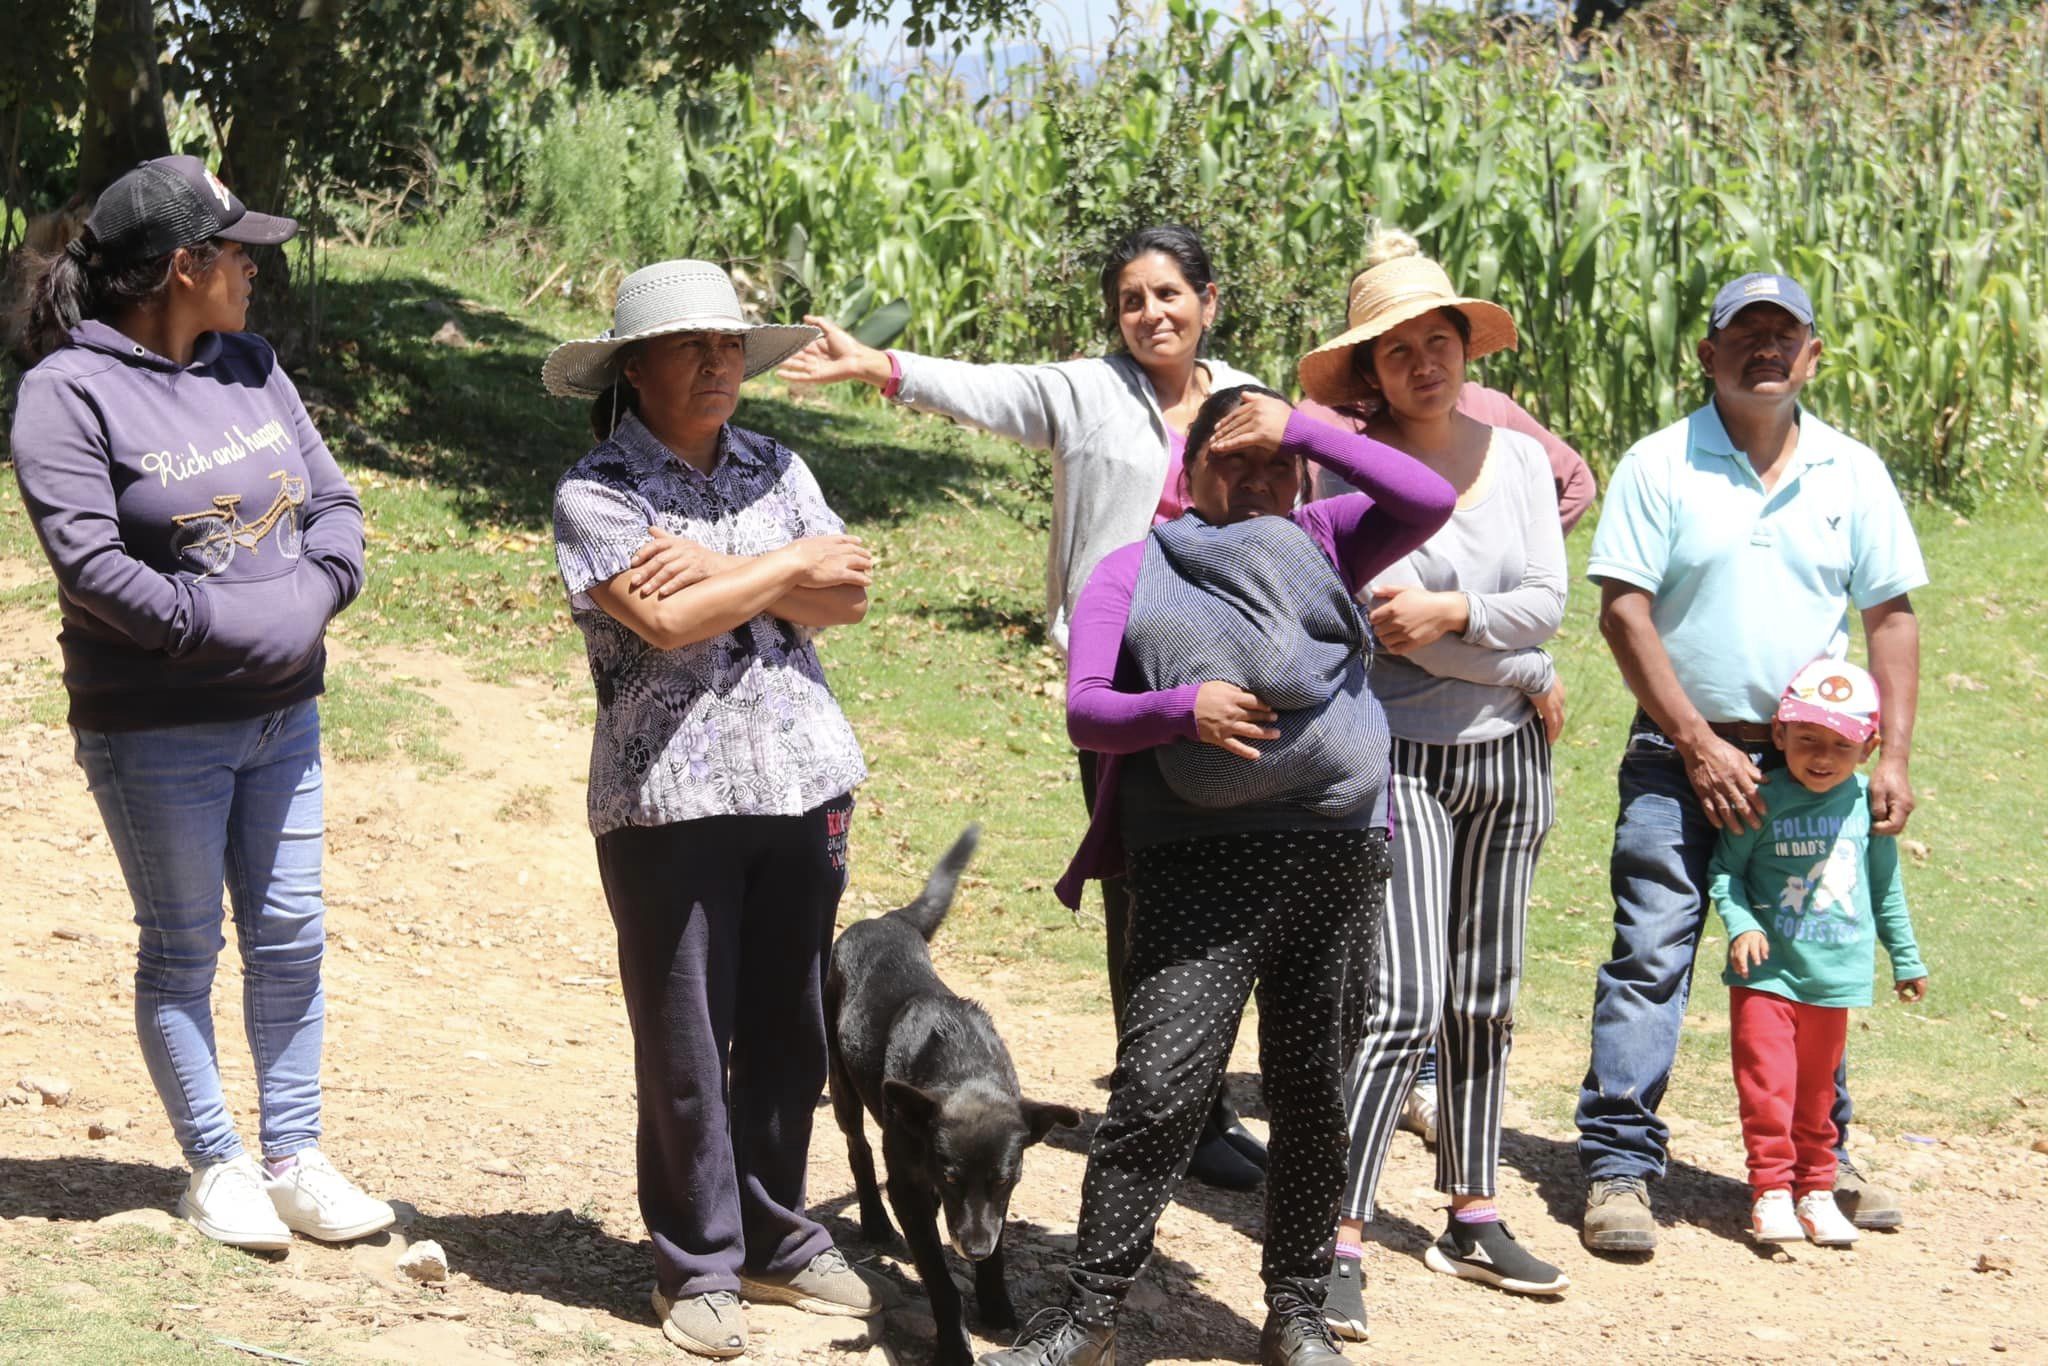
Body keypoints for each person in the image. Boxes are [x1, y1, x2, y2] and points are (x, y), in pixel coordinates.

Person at [776, 223, 1269, 1189]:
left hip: (1235, 686)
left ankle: (1199, 1101)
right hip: (1128, 694)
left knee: (1219, 904)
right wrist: (877, 364)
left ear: (1209, 301)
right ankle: (1169, 1111)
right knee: (1143, 902)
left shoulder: (1254, 401)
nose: (1150, 315)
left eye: (1168, 294)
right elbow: (995, 390)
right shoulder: (1090, 391)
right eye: (1131, 299)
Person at [984, 385, 1455, 1366]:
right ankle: (1090, 1315)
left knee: (1311, 1090)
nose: (1253, 479)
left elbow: (1426, 499)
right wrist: (1180, 709)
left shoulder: (1324, 538)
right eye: (1228, 458)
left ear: (1300, 473)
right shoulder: (1132, 567)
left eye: (1271, 463)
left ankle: (1295, 1312)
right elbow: (1083, 707)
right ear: (1183, 469)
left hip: (1332, 854)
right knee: (1155, 1091)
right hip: (1193, 866)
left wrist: (1306, 431)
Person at [9, 155, 389, 1249]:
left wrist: (310, 596)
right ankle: (218, 1165)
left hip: (285, 715)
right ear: (183, 268)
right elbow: (91, 566)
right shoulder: (65, 393)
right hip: (154, 728)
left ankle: (296, 1156)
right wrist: (235, 625)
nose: (253, 271)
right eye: (237, 253)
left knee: (290, 936)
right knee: (182, 947)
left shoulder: (250, 364)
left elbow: (333, 503)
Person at [544, 260, 891, 1359]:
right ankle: (695, 1260)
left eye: (730, 345)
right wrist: (781, 559)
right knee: (687, 1038)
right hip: (669, 802)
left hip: (801, 782)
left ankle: (775, 1239)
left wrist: (723, 568)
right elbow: (671, 624)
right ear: (634, 368)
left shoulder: (776, 461)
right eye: (691, 347)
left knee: (788, 1027)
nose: (716, 364)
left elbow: (849, 595)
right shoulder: (595, 491)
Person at [1575, 271, 1928, 1253]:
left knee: (1807, 954)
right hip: (1672, 753)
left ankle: (1822, 1159)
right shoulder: (1658, 463)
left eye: (1785, 334)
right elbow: (1620, 609)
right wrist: (1694, 741)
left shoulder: (1849, 472)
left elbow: (1888, 612)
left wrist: (1889, 752)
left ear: (1811, 355)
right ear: (1706, 351)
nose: (1764, 348)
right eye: (1745, 332)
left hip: (1807, 771)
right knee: (1649, 954)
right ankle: (1616, 1166)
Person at [1295, 230, 1571, 1339]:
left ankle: (1470, 1207)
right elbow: (1387, 631)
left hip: (1507, 760)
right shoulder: (1359, 473)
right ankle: (1335, 1232)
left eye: (1438, 340)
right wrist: (1518, 657)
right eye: (1396, 349)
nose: (1422, 362)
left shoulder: (1510, 459)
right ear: (1368, 371)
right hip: (1400, 756)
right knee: (1401, 1000)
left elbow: (1538, 601)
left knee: (1483, 998)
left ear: (1464, 348)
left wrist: (1469, 625)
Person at [1708, 659, 1927, 1247]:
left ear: (1869, 746)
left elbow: (1885, 888)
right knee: (1768, 1086)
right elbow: (1725, 873)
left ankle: (1818, 1191)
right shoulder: (1761, 799)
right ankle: (1771, 1192)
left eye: (1840, 743)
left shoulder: (1865, 806)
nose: (1822, 756)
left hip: (1835, 979)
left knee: (1818, 1093)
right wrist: (1740, 925)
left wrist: (1905, 958)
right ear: (1780, 736)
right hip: (1767, 975)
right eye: (1807, 740)